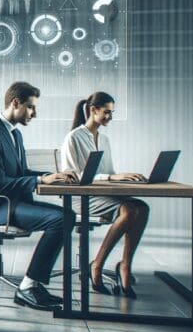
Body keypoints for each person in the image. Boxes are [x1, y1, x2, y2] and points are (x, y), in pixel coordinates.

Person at [0, 81, 76, 311]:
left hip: (13, 203)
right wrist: (39, 181)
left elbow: (21, 173)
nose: (34, 114)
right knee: (62, 218)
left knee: (66, 215)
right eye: (30, 107)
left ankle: (32, 285)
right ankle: (28, 287)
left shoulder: (14, 135)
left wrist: (50, 175)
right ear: (15, 103)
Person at [61, 92, 149, 298]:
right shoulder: (73, 137)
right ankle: (97, 265)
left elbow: (108, 174)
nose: (111, 117)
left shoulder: (104, 139)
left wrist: (122, 178)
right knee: (128, 211)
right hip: (80, 198)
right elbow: (71, 176)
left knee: (142, 208)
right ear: (93, 110)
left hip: (102, 195)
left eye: (112, 113)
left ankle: (125, 266)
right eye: (107, 112)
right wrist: (114, 178)